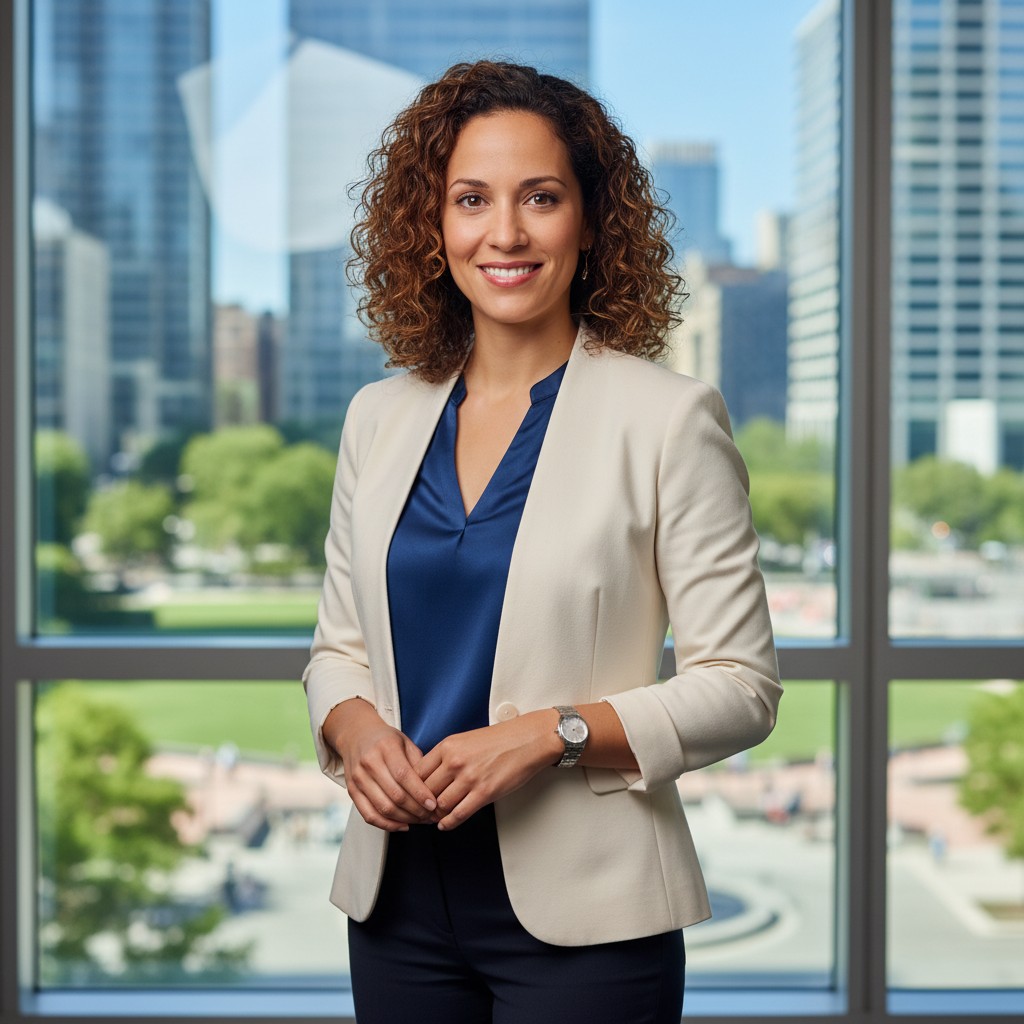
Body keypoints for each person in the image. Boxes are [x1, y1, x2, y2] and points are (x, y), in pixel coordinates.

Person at [303, 60, 782, 1024]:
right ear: (432, 228)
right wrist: (351, 731)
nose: (506, 233)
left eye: (542, 198)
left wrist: (552, 735)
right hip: (396, 905)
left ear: (591, 221)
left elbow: (742, 685)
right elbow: (338, 651)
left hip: (592, 922)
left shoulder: (668, 418)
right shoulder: (377, 418)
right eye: (471, 199)